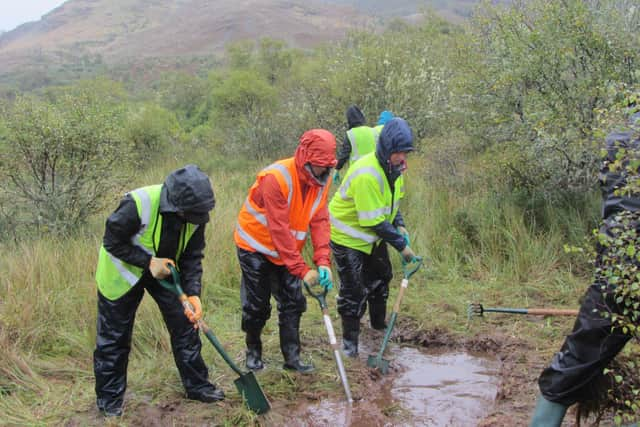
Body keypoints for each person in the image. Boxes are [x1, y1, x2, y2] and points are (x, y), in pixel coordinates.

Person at [529, 111, 640, 426]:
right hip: (624, 267)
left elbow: (613, 206)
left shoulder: (619, 134)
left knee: (573, 362)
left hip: (615, 273)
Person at [94, 164, 222, 417]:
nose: (198, 218)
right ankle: (109, 402)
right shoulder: (137, 203)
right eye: (193, 214)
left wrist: (193, 292)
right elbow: (111, 241)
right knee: (114, 338)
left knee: (186, 326)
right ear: (177, 206)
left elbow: (192, 256)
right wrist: (147, 262)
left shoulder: (196, 213)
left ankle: (197, 386)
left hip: (166, 272)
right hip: (123, 273)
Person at [235, 129, 337, 373]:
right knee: (257, 305)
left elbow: (320, 219)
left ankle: (292, 359)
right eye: (320, 165)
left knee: (293, 302)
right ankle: (253, 351)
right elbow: (279, 229)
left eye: (327, 166)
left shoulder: (324, 179)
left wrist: (323, 260)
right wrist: (302, 270)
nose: (324, 171)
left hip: (288, 251)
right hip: (255, 246)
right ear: (305, 157)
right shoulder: (276, 178)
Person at [328, 117, 420, 358]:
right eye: (399, 152)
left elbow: (392, 203)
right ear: (387, 149)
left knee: (381, 278)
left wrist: (399, 224)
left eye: (406, 152)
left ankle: (379, 329)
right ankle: (350, 347)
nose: (403, 158)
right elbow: (373, 220)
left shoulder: (395, 170)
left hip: (372, 237)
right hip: (348, 236)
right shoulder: (367, 173)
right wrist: (403, 247)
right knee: (354, 291)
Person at [334, 105, 378, 183]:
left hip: (357, 174)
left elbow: (344, 155)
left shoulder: (350, 134)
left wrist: (337, 169)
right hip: (375, 172)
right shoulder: (373, 131)